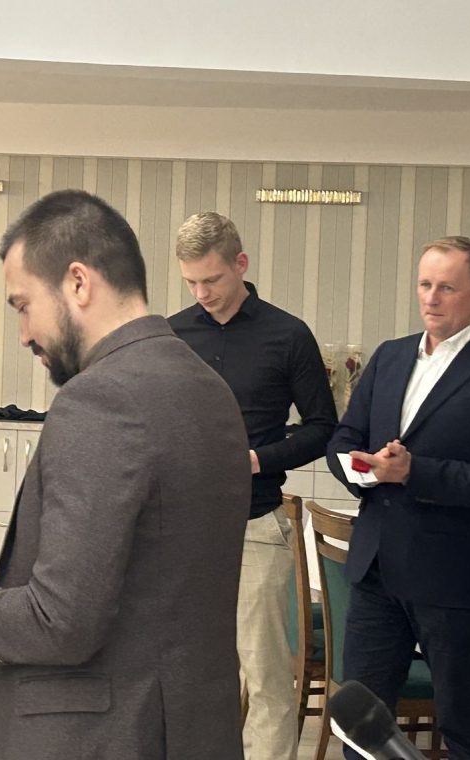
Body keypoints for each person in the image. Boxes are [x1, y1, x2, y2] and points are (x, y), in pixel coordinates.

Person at [0, 190, 251, 760]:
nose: (23, 333)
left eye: (23, 305)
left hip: (108, 734)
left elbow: (61, 623)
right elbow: (152, 581)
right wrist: (2, 589)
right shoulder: (206, 387)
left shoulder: (100, 398)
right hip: (190, 726)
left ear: (79, 283)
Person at [327, 236, 470, 760]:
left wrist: (413, 472)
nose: (431, 298)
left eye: (447, 287)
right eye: (425, 284)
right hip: (376, 568)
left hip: (452, 576)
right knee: (360, 726)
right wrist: (366, 472)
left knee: (463, 726)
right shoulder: (390, 356)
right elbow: (343, 440)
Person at [167, 211, 336, 760]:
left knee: (265, 677)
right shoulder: (171, 334)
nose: (202, 293)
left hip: (257, 527)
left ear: (240, 263)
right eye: (191, 282)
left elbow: (323, 429)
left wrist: (257, 461)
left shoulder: (288, 335)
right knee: (188, 673)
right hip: (182, 532)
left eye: (212, 279)